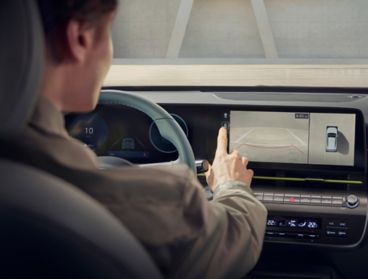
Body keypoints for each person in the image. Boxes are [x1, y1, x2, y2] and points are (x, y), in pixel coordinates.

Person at [10, 0, 267, 278]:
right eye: (109, 33)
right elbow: (236, 237)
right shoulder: (161, 202)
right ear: (80, 40)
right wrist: (232, 186)